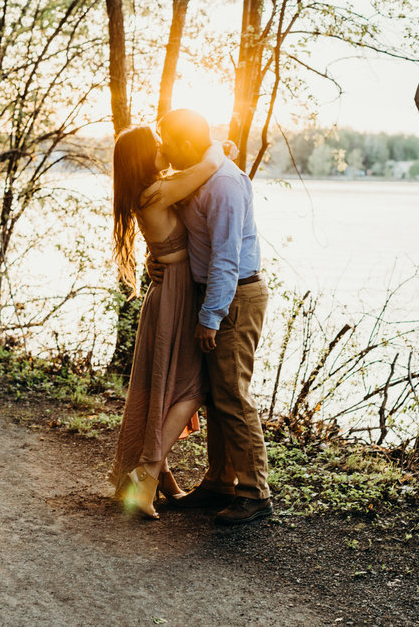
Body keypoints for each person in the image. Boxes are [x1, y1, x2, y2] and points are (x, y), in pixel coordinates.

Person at [152, 108, 273, 526]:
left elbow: (226, 257)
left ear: (186, 143)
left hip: (235, 296)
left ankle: (255, 491)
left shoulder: (223, 184)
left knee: (233, 396)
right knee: (218, 396)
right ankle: (221, 482)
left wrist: (211, 316)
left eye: (166, 139)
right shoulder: (201, 174)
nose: (163, 147)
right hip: (217, 294)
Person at [107, 125, 228, 519]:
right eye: (156, 145)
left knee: (162, 386)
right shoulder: (156, 192)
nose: (163, 148)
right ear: (144, 155)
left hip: (171, 293)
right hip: (176, 298)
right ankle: (146, 478)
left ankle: (153, 477)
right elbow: (209, 164)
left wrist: (156, 260)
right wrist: (217, 143)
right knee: (193, 386)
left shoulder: (152, 190)